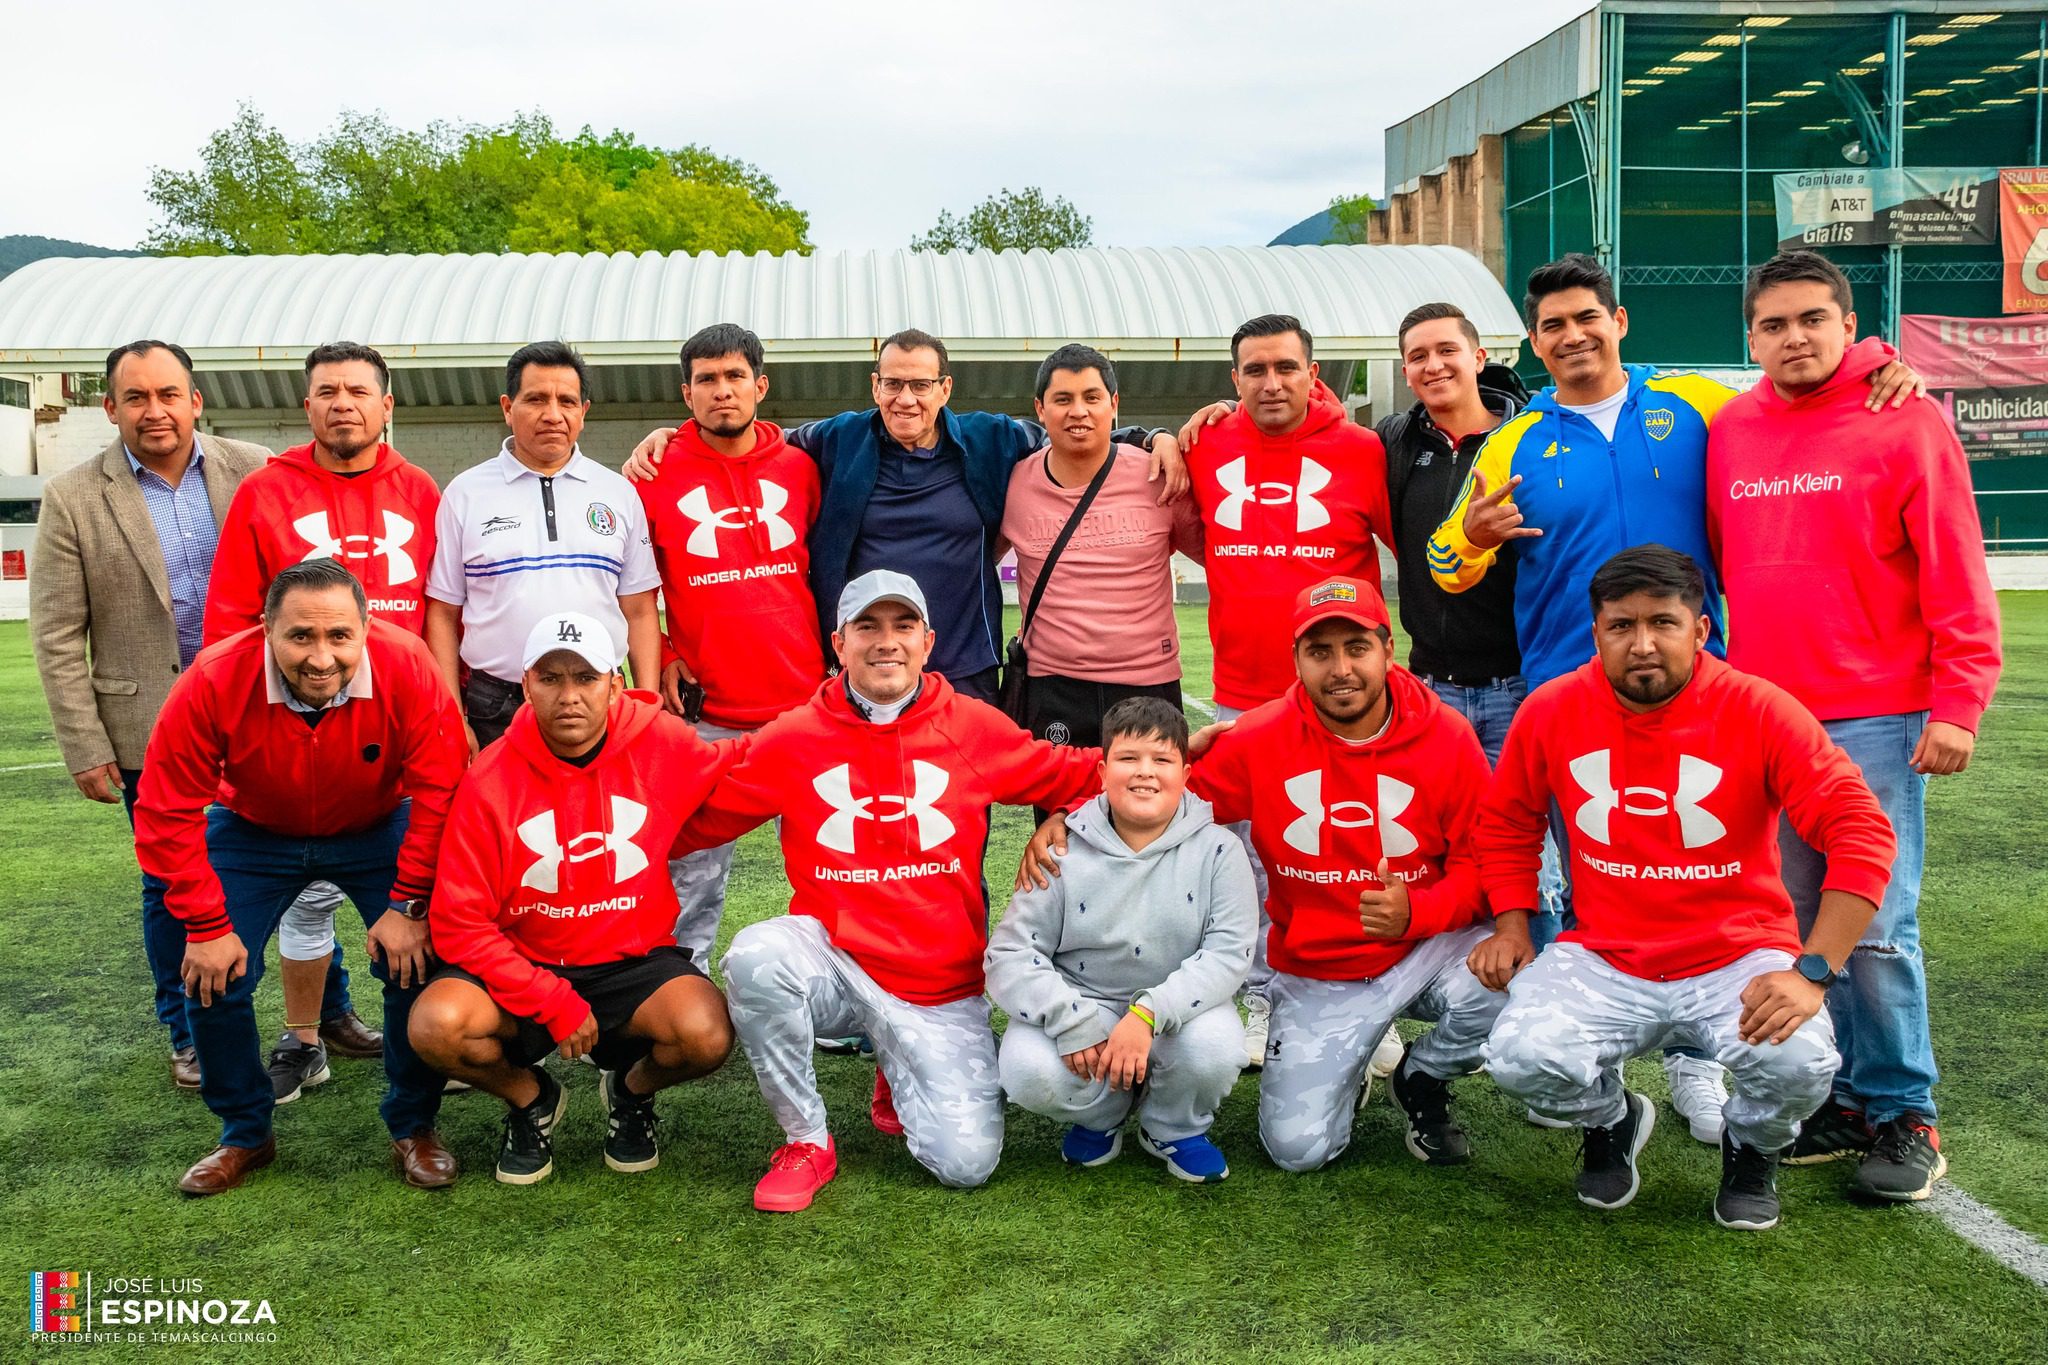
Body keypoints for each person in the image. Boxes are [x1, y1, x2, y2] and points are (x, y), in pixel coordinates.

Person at [1427, 255, 1919, 1143]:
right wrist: (1470, 532)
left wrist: (1873, 358)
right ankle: (1604, 1083)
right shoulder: (1512, 440)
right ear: (1533, 344)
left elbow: (1798, 386)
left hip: (1703, 695)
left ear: (1620, 320)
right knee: (1599, 889)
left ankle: (1704, 1063)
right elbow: (1442, 561)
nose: (1572, 335)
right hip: (1571, 701)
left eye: (1587, 317)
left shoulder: (1700, 403)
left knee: (1710, 877)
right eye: (1552, 326)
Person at [1473, 545, 1896, 1231]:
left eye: (1663, 623)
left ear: (1700, 630)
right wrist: (1514, 927)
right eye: (1622, 625)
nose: (1642, 644)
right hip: (1607, 953)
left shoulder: (1760, 709)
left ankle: (1752, 1145)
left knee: (1801, 1057)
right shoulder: (1553, 709)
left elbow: (1860, 829)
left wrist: (1813, 970)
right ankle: (1612, 1118)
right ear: (1597, 631)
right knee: (1520, 1055)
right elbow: (1508, 821)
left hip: (1738, 954)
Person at [1021, 575, 1502, 1173]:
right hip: (1324, 969)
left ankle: (1425, 1075)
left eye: (1357, 648)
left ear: (1388, 649)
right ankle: (1347, 1058)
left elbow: (1489, 863)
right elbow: (1155, 798)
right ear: (1296, 659)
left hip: (1430, 947)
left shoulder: (1446, 738)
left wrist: (1421, 912)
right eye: (1320, 652)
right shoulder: (1261, 737)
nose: (1341, 669)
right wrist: (1072, 816)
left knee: (1506, 981)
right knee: (1298, 1151)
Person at [1708, 250, 2002, 1200]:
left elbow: (1956, 564)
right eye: (1774, 324)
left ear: (1848, 324)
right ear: (1749, 337)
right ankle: (1839, 1099)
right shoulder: (1735, 428)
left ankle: (1905, 1109)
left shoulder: (1901, 414)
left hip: (1877, 713)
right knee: (1794, 914)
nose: (1794, 338)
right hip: (1768, 715)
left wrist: (1957, 702)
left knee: (1876, 921)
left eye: (1812, 320)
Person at [675, 570, 1105, 1211]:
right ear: (838, 642)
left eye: (902, 626)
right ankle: (806, 1141)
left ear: (928, 641)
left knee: (966, 1163)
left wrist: (1063, 814)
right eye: (867, 627)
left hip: (936, 984)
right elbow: (694, 816)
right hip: (835, 965)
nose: (886, 643)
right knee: (756, 958)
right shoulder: (796, 737)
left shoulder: (972, 727)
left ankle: (896, 1064)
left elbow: (1080, 773)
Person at [134, 559, 468, 1196]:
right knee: (209, 971)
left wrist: (410, 904)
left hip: (376, 823)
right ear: (265, 629)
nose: (321, 657)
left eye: (340, 636)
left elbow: (440, 789)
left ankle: (413, 1125)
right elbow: (164, 809)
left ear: (367, 629)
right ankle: (244, 1132)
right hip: (255, 828)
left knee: (415, 961)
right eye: (300, 637)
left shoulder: (409, 663)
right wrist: (205, 927)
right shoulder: (214, 676)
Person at [623, 328, 1186, 704]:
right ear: (875, 386)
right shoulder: (837, 439)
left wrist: (1149, 435)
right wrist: (672, 438)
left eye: (920, 384)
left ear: (945, 389)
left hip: (964, 663)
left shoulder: (993, 440)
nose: (906, 399)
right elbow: (749, 443)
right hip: (870, 661)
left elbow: (1073, 434)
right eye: (893, 384)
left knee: (965, 815)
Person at [410, 612, 742, 1184]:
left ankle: (630, 1091)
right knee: (436, 1025)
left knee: (706, 1032)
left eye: (586, 679)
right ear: (526, 685)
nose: (569, 696)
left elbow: (738, 770)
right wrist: (551, 1000)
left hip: (629, 962)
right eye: (552, 678)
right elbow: (460, 923)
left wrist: (822, 730)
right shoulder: (489, 780)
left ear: (615, 685)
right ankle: (530, 1098)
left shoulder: (660, 742)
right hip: (526, 963)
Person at [29, 340, 272, 1088]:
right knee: (171, 880)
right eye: (136, 397)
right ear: (109, 408)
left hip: (259, 713)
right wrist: (83, 742)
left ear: (196, 400)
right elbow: (58, 632)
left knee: (285, 865)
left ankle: (323, 1012)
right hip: (147, 724)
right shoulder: (74, 496)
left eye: (169, 393)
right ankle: (187, 1028)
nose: (154, 410)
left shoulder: (257, 470)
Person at [204, 341, 439, 1101]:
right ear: (306, 406)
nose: (343, 402)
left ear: (387, 405)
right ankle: (303, 1039)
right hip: (295, 729)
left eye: (358, 390)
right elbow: (234, 624)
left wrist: (446, 703)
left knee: (422, 900)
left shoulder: (421, 491)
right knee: (306, 891)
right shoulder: (266, 493)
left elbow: (443, 609)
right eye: (327, 390)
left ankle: (436, 1046)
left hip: (400, 728)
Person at [1172, 314, 1398, 1071]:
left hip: (1345, 698)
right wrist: (1164, 438)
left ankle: (1364, 988)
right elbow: (1190, 526)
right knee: (1246, 859)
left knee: (1349, 845)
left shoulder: (1362, 450)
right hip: (1241, 694)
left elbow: (1417, 545)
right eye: (1254, 370)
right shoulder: (1206, 442)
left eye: (1285, 368)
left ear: (1313, 370)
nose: (1271, 383)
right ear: (1232, 379)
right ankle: (1261, 990)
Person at [986, 696, 1255, 1182]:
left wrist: (1148, 1012)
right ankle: (1102, 1115)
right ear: (1102, 772)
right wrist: (1070, 1020)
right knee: (1026, 1067)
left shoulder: (1220, 849)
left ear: (1186, 775)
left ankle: (1171, 1126)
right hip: (1086, 1003)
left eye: (1162, 760)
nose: (1144, 773)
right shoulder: (1060, 848)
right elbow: (1009, 953)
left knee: (1215, 1045)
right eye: (1129, 758)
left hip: (1177, 1009)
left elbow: (1228, 954)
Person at [632, 323, 823, 961]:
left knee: (830, 865)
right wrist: (662, 649)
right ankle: (681, 993)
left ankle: (838, 997)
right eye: (707, 380)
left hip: (806, 711)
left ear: (760, 386)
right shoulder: (653, 473)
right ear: (686, 394)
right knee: (693, 870)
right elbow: (618, 585)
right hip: (706, 716)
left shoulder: (801, 468)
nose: (722, 391)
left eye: (735, 376)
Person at [997, 343, 1203, 813]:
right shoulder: (1014, 483)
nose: (1078, 412)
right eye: (1063, 399)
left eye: (1092, 397)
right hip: (1054, 687)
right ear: (1039, 409)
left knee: (1151, 827)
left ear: (1114, 404)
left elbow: (1224, 557)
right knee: (1060, 834)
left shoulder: (1160, 474)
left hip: (1148, 683)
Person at [426, 341, 661, 751]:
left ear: (583, 412)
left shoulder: (619, 494)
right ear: (507, 407)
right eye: (535, 399)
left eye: (566, 401)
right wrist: (452, 716)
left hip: (600, 696)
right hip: (495, 705)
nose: (553, 414)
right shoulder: (465, 494)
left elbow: (640, 612)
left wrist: (647, 705)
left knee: (598, 815)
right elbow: (443, 615)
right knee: (504, 816)